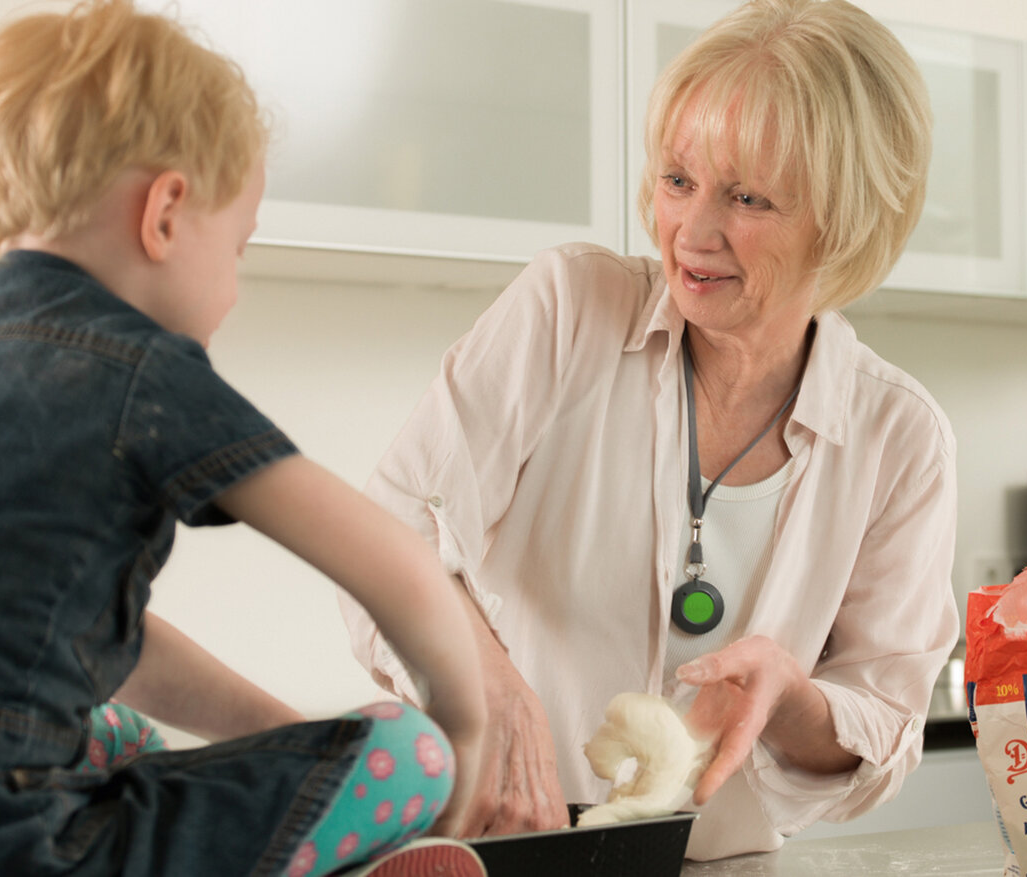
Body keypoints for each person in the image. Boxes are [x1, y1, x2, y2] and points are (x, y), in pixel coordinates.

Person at [0, 2, 489, 875]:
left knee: (110, 723)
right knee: (408, 755)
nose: (234, 288)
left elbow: (98, 646)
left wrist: (288, 741)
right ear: (165, 213)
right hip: (26, 849)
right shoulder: (139, 370)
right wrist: (465, 727)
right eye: (238, 247)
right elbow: (396, 565)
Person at [341, 0, 959, 861]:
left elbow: (883, 721)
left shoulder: (901, 437)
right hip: (503, 849)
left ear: (845, 216)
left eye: (746, 196)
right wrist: (488, 678)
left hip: (726, 861)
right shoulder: (568, 310)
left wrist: (787, 699)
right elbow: (384, 534)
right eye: (678, 180)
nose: (692, 232)